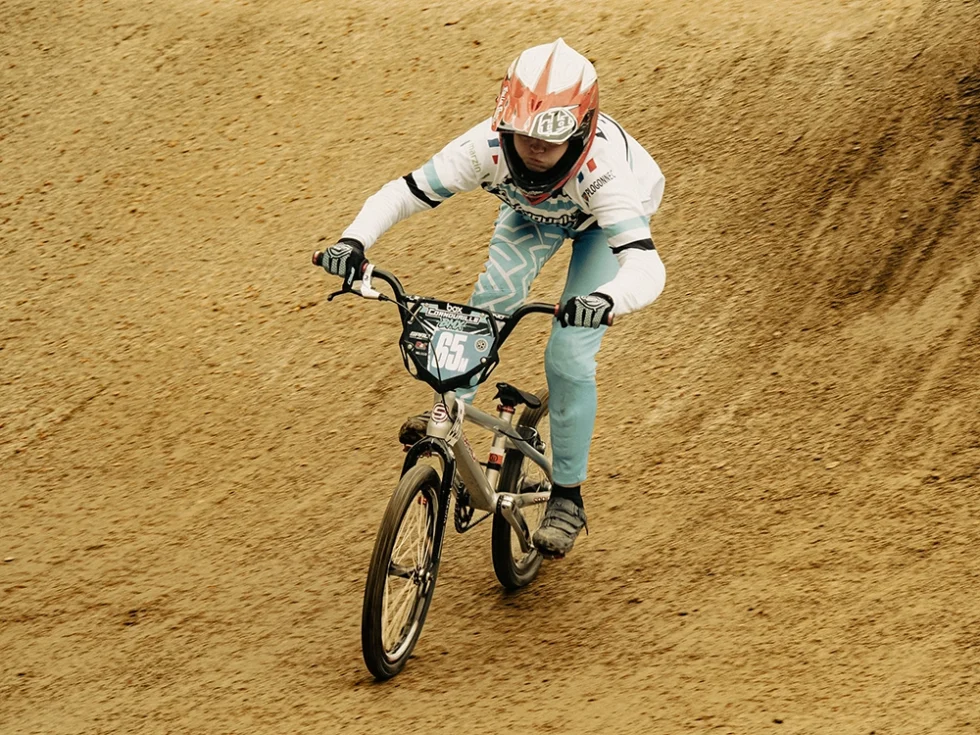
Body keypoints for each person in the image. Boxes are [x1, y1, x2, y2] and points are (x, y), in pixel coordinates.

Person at [319, 38, 667, 558]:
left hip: (600, 227)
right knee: (488, 305)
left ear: (579, 132)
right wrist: (353, 241)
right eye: (523, 135)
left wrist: (608, 299)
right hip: (531, 214)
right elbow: (404, 192)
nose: (534, 148)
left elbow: (646, 267)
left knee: (568, 354)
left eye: (549, 140)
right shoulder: (484, 146)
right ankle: (451, 416)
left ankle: (567, 497)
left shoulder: (605, 172)